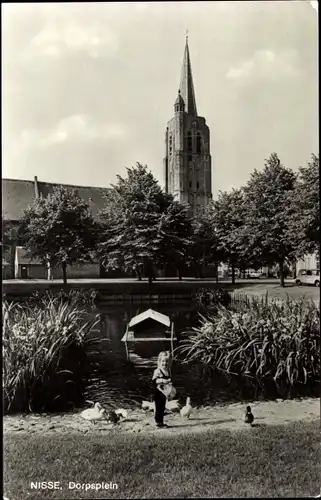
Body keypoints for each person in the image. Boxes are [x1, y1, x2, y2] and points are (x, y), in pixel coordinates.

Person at [152, 351, 173, 428]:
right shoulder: (157, 371)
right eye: (163, 361)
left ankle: (161, 422)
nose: (165, 363)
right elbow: (154, 381)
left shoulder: (168, 371)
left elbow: (170, 380)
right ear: (159, 361)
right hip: (158, 392)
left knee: (163, 406)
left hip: (164, 392)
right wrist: (162, 381)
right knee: (158, 407)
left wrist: (170, 390)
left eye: (167, 361)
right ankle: (158, 422)